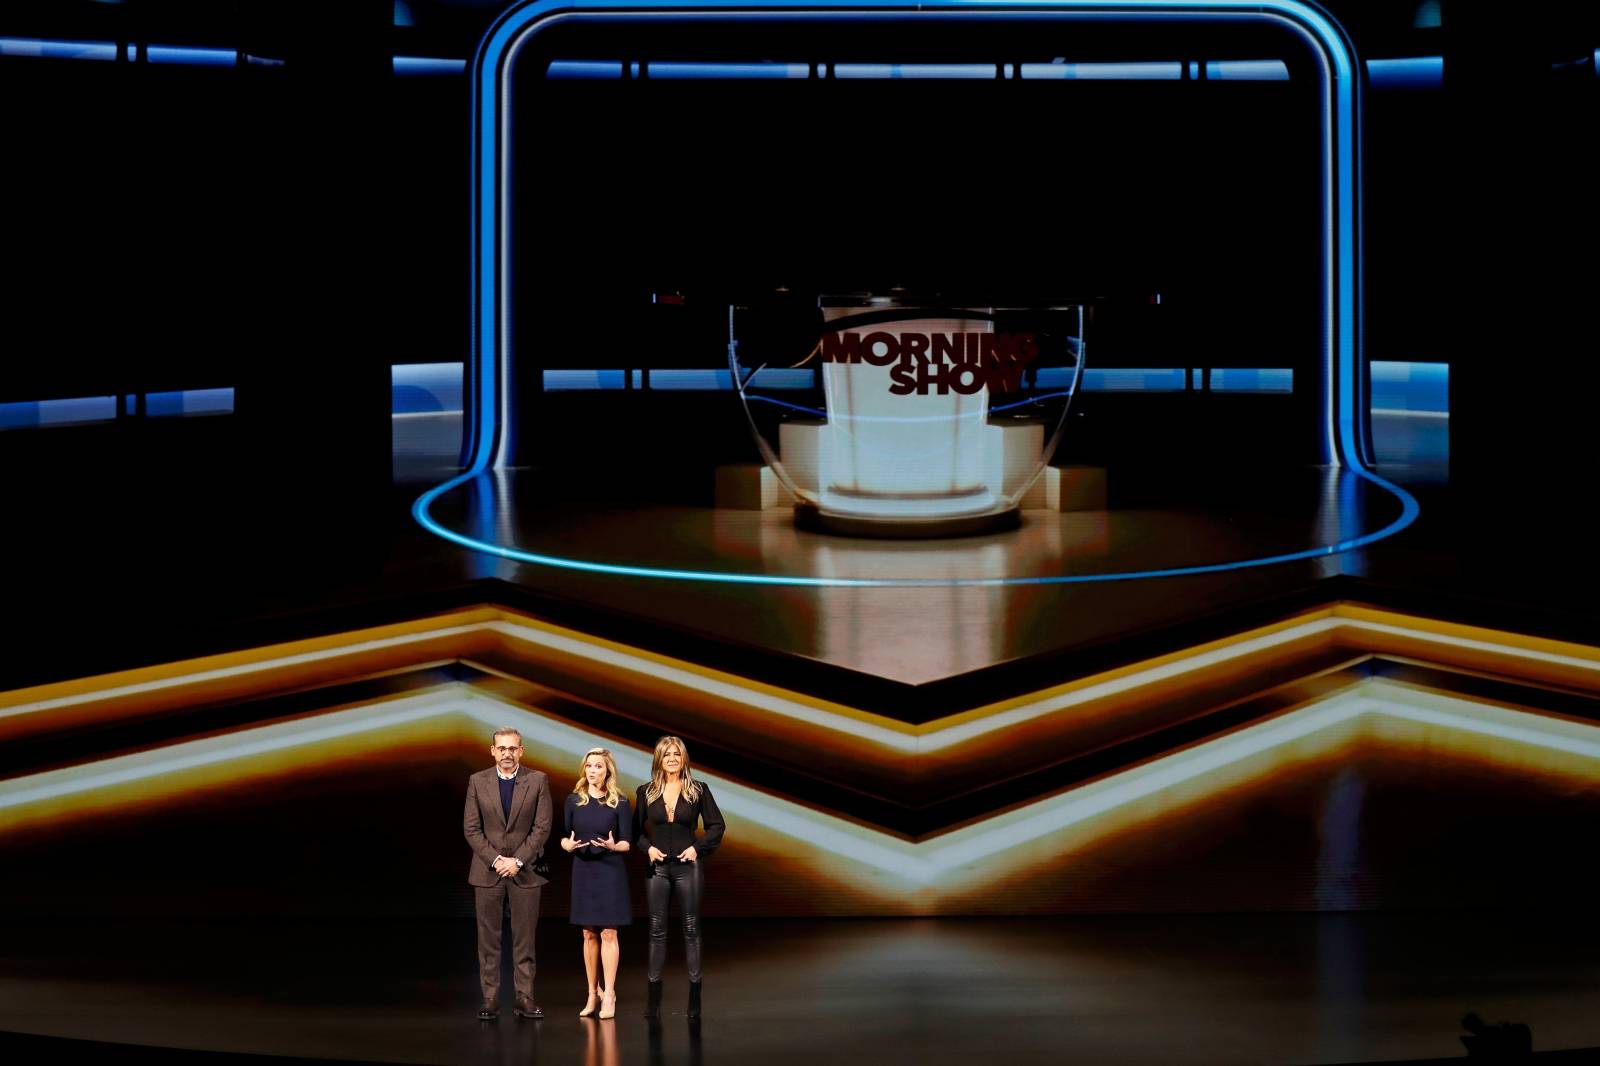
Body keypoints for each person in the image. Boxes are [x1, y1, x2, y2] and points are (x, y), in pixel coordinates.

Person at [462, 726, 553, 1021]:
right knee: (488, 939)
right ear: (492, 751)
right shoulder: (477, 781)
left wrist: (518, 861)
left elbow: (542, 828)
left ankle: (524, 997)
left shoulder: (537, 780)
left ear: (521, 750)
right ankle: (490, 997)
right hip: (488, 871)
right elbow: (471, 829)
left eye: (512, 748)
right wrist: (497, 859)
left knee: (524, 938)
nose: (507, 754)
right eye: (501, 748)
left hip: (526, 872)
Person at [633, 735, 725, 1020]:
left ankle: (695, 997)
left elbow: (716, 826)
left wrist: (697, 848)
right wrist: (648, 849)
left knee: (690, 929)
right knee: (657, 931)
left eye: (677, 754)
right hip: (658, 869)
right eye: (667, 754)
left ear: (684, 758)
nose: (672, 758)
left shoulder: (698, 790)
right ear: (659, 759)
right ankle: (653, 1000)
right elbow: (634, 832)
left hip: (687, 868)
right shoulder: (645, 791)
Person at [560, 746, 632, 1020]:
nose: (593, 771)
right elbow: (565, 835)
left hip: (610, 871)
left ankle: (610, 994)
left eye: (598, 766)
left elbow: (628, 841)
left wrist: (615, 846)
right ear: (584, 769)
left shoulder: (620, 802)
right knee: (588, 934)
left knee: (609, 933)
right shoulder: (573, 800)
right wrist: (566, 844)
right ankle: (593, 993)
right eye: (589, 766)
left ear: (608, 770)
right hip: (583, 870)